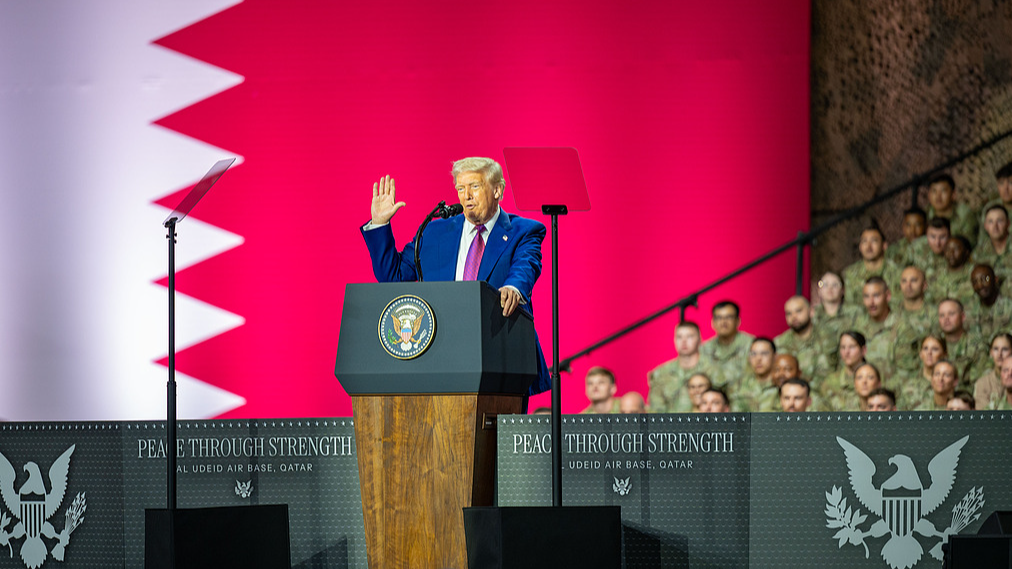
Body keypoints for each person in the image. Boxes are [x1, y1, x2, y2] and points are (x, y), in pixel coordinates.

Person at [361, 157, 550, 395]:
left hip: (499, 357)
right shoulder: (435, 231)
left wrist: (514, 288)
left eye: (475, 186)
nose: (466, 195)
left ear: (497, 190)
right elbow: (394, 277)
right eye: (461, 188)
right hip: (441, 358)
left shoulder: (524, 230)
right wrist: (380, 224)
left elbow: (526, 265)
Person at [647, 321, 723, 413]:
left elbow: (724, 406)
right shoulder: (661, 373)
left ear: (700, 339)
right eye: (679, 337)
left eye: (690, 336)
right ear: (674, 340)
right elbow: (655, 411)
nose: (684, 341)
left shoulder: (714, 370)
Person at [811, 271, 861, 371]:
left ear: (843, 290)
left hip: (849, 368)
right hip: (819, 370)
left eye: (835, 284)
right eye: (824, 284)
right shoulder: (812, 316)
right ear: (819, 290)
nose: (830, 289)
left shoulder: (855, 313)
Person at [842, 226, 902, 306]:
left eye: (874, 241)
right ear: (860, 247)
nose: (868, 246)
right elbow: (849, 306)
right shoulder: (849, 274)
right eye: (864, 241)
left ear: (884, 246)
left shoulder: (898, 272)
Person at [853, 277, 899, 377]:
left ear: (888, 296)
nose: (871, 302)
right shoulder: (857, 326)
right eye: (866, 296)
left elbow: (905, 373)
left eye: (876, 296)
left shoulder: (901, 326)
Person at [936, 298, 987, 388]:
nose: (946, 319)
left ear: (962, 317)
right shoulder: (934, 344)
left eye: (951, 314)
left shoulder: (976, 346)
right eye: (942, 315)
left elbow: (980, 383)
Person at [893, 265, 934, 374]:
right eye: (904, 281)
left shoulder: (935, 315)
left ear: (924, 285)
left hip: (922, 375)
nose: (908, 285)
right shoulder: (892, 313)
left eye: (914, 280)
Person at [700, 301, 754, 384]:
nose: (723, 322)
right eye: (719, 318)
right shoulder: (704, 349)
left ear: (738, 321)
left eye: (729, 317)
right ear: (713, 323)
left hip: (745, 394)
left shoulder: (752, 345)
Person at [774, 296, 826, 382]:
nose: (794, 317)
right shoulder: (779, 342)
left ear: (811, 312)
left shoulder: (827, 337)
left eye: (798, 311)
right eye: (789, 313)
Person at [925, 173, 978, 248]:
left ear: (953, 194)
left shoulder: (964, 214)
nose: (938, 196)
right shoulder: (925, 213)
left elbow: (970, 243)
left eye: (943, 191)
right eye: (934, 191)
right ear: (929, 195)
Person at [897, 334, 947, 410]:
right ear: (920, 354)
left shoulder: (950, 384)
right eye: (925, 348)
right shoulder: (907, 386)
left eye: (935, 349)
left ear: (944, 354)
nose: (929, 353)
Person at [965, 264, 1012, 342]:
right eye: (975, 282)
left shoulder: (1009, 306)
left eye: (985, 279)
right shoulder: (969, 309)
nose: (980, 285)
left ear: (995, 279)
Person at [819, 331, 866, 404]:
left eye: (852, 347)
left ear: (863, 350)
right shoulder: (830, 383)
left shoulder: (876, 377)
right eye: (843, 347)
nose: (846, 352)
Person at [733, 338, 780, 412]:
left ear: (775, 356)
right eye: (753, 354)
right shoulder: (738, 386)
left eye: (764, 353)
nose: (758, 359)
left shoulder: (782, 385)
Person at [926, 236, 974, 307]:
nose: (951, 253)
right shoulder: (934, 274)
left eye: (956, 249)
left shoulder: (974, 273)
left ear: (966, 252)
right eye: (948, 249)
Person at [973, 204, 1012, 284]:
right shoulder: (979, 252)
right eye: (990, 222)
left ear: (1008, 224)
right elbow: (976, 278)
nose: (995, 226)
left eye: (1000, 221)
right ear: (985, 226)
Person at [972, 333, 1012, 410]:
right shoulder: (982, 384)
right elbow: (984, 416)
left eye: (1005, 349)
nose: (999, 354)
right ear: (991, 352)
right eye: (996, 349)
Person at [905, 217, 950, 281]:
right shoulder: (916, 247)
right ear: (926, 235)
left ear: (949, 236)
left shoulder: (955, 249)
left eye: (942, 237)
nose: (937, 243)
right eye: (933, 237)